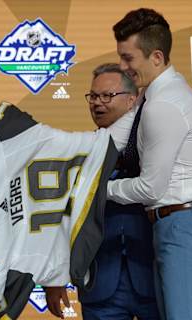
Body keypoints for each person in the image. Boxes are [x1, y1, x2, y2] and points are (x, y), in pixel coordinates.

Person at [107, 8, 192, 320]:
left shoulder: (164, 104)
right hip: (175, 225)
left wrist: (97, 188)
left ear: (156, 57)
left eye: (129, 59)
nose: (123, 67)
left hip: (185, 226)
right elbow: (104, 143)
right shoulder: (154, 97)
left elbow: (150, 187)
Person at [46, 63, 160, 320]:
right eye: (93, 96)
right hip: (99, 284)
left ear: (132, 100)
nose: (98, 103)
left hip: (153, 277)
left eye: (107, 96)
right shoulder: (78, 153)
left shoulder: (157, 146)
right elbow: (58, 219)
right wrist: (53, 277)